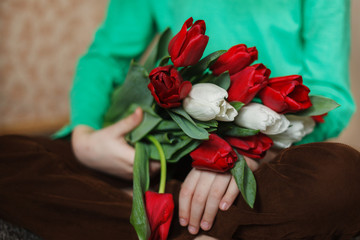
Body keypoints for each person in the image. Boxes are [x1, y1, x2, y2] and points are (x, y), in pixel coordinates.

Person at [1, 0, 360, 239]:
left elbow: (332, 95)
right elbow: (105, 56)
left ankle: (150, 212)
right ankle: (190, 219)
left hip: (262, 160)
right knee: (7, 157)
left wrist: (249, 148)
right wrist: (84, 137)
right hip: (159, 150)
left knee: (344, 176)